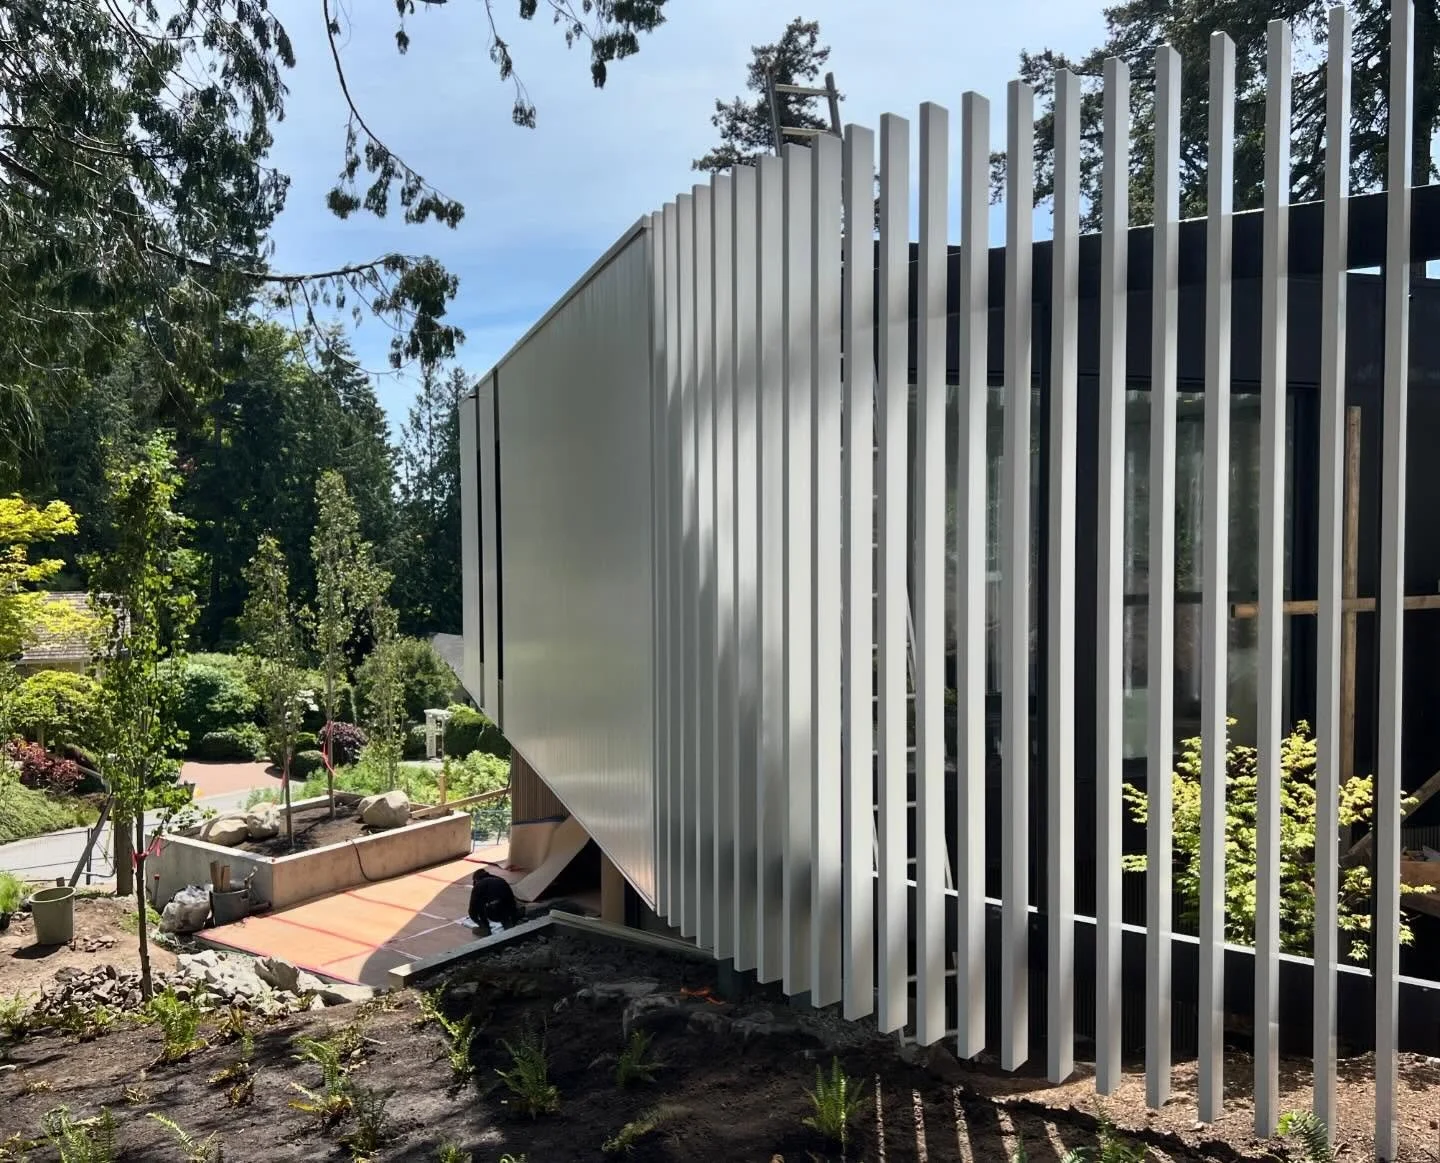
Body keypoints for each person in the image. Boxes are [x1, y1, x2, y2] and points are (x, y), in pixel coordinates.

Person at [467, 867, 521, 935]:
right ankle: (509, 922)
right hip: (509, 910)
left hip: (494, 913)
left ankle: (485, 928)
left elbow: (472, 911)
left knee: (480, 906)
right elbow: (511, 899)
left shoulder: (479, 885)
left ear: (476, 879)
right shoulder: (500, 879)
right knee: (505, 905)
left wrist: (480, 923)